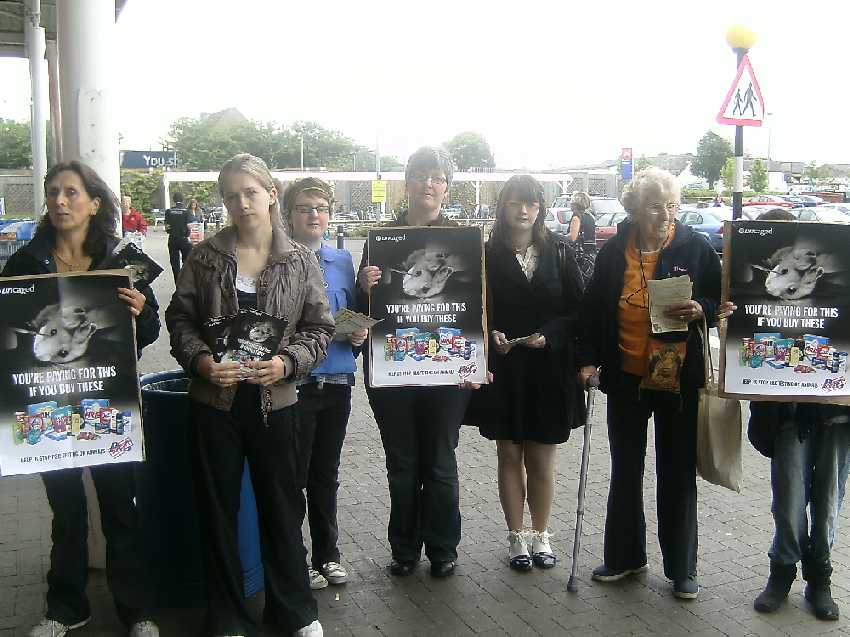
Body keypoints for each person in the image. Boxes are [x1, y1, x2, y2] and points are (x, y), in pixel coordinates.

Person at [165, 154, 334, 637]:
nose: (241, 203)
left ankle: (294, 609)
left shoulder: (299, 260)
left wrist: (287, 363)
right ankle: (227, 614)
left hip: (275, 403)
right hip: (214, 404)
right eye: (231, 195)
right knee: (218, 511)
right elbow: (180, 319)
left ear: (270, 193)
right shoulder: (205, 256)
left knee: (282, 508)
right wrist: (201, 362)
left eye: (250, 192)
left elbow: (318, 328)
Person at [1, 160, 161, 637]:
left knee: (120, 509)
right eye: (53, 193)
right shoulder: (26, 262)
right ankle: (67, 607)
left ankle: (136, 609)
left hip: (108, 407)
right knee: (66, 512)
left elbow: (149, 333)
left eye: (71, 192)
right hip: (46, 409)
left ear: (95, 203)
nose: (59, 201)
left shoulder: (121, 261)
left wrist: (140, 311)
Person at [576, 167, 721, 600]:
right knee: (625, 469)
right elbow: (591, 310)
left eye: (671, 206)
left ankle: (682, 568)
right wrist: (586, 362)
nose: (665, 214)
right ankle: (625, 557)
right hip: (625, 375)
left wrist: (702, 308)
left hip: (677, 377)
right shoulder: (614, 249)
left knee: (676, 472)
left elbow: (721, 299)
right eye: (656, 206)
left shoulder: (694, 246)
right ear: (636, 209)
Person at [722, 208, 849, 621]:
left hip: (837, 412)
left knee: (828, 499)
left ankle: (821, 575)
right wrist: (729, 321)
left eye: (807, 267)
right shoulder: (769, 300)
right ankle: (783, 568)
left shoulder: (838, 289)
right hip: (789, 410)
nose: (798, 273)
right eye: (787, 268)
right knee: (789, 498)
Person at [356, 147, 470, 579]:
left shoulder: (463, 242)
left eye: (436, 177)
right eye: (420, 175)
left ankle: (443, 548)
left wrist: (478, 360)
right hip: (392, 368)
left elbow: (478, 307)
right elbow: (360, 309)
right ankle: (404, 548)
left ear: (446, 186)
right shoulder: (380, 239)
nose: (428, 184)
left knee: (440, 462)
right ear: (407, 183)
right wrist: (363, 284)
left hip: (446, 369)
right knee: (403, 463)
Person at [468, 175, 585, 570]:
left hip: (550, 369)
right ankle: (516, 537)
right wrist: (490, 332)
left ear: (541, 209)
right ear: (504, 206)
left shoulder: (562, 252)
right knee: (509, 453)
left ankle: (541, 535)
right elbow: (472, 307)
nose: (523, 211)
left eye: (532, 204)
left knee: (542, 459)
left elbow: (578, 311)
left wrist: (550, 335)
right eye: (517, 203)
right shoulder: (484, 255)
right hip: (505, 368)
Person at [281, 177, 367, 591]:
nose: (313, 215)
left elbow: (351, 311)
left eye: (320, 208)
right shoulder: (277, 261)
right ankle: (295, 559)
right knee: (293, 473)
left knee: (326, 474)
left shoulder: (342, 261)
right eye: (304, 207)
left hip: (337, 380)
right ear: (289, 215)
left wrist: (356, 334)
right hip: (295, 382)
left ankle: (328, 554)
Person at [164, 196, 192, 280]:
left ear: (174, 200)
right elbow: (189, 226)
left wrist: (171, 231)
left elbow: (167, 227)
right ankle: (185, 282)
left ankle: (177, 283)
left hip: (173, 238)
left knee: (174, 263)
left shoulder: (169, 211)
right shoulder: (186, 211)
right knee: (186, 262)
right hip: (184, 238)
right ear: (182, 200)